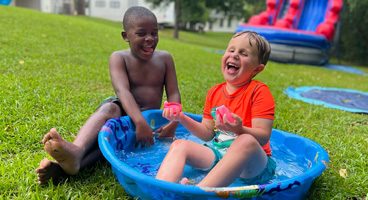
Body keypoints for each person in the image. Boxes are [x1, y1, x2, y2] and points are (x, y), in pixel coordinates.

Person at [36, 6, 181, 185]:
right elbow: (122, 91)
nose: (150, 39)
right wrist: (139, 121)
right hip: (122, 112)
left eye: (154, 33)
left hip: (145, 122)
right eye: (142, 33)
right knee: (110, 108)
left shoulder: (165, 58)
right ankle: (77, 149)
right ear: (126, 36)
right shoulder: (119, 58)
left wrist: (173, 122)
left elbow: (173, 92)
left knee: (110, 147)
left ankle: (66, 168)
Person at [156, 31, 275, 187]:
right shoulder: (214, 93)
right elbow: (207, 134)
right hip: (221, 155)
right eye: (231, 50)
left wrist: (239, 129)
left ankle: (197, 194)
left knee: (245, 140)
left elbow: (263, 136)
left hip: (253, 165)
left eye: (244, 53)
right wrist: (181, 118)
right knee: (180, 145)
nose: (234, 55)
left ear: (257, 69)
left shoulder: (259, 92)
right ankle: (160, 189)